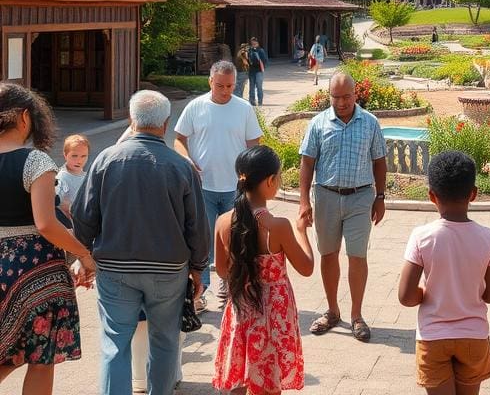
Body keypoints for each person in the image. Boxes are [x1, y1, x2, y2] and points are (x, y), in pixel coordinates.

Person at [72, 90, 209, 395]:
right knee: (165, 341)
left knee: (115, 343)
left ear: (131, 121)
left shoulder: (106, 160)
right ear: (166, 123)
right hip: (168, 269)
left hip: (114, 267)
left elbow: (83, 215)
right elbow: (197, 226)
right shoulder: (181, 166)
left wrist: (84, 256)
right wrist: (198, 267)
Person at [0, 83, 92, 395]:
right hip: (34, 269)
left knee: (6, 351)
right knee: (41, 357)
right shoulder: (35, 161)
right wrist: (84, 254)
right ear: (25, 117)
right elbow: (46, 224)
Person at [398, 150, 490, 394]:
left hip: (433, 337)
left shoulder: (422, 236)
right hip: (474, 337)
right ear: (473, 193)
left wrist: (425, 292)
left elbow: (406, 296)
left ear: (431, 195)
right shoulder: (487, 237)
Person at [212, 146, 314, 394]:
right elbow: (307, 267)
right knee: (269, 382)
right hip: (274, 314)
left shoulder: (223, 221)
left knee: (240, 375)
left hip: (241, 307)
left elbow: (222, 271)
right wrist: (302, 231)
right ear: (270, 181)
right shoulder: (278, 226)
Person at [298, 71, 387, 342]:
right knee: (328, 254)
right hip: (326, 195)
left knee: (357, 255)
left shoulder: (370, 123)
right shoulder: (318, 123)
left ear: (355, 94)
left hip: (360, 197)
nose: (341, 102)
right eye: (335, 97)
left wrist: (380, 197)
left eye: (346, 96)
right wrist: (304, 201)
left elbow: (379, 161)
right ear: (329, 96)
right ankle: (332, 310)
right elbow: (307, 163)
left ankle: (357, 316)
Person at [174, 59, 263, 307]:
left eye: (230, 86)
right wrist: (186, 160)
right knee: (200, 239)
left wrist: (251, 178)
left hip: (235, 187)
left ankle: (229, 285)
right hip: (202, 186)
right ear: (210, 81)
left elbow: (254, 144)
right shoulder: (195, 107)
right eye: (220, 86)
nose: (225, 91)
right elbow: (179, 139)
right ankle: (200, 290)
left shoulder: (243, 108)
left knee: (234, 238)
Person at [56, 133, 90, 220]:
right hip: (72, 222)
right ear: (65, 155)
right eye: (74, 156)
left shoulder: (87, 175)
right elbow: (58, 202)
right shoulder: (62, 177)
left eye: (83, 156)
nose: (79, 161)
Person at [248, 37, 268, 107]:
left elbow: (265, 60)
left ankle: (260, 102)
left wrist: (259, 62)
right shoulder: (249, 50)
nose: (253, 45)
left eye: (255, 43)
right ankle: (252, 102)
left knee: (259, 86)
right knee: (251, 87)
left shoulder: (261, 50)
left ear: (257, 43)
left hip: (259, 71)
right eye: (252, 43)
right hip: (251, 71)